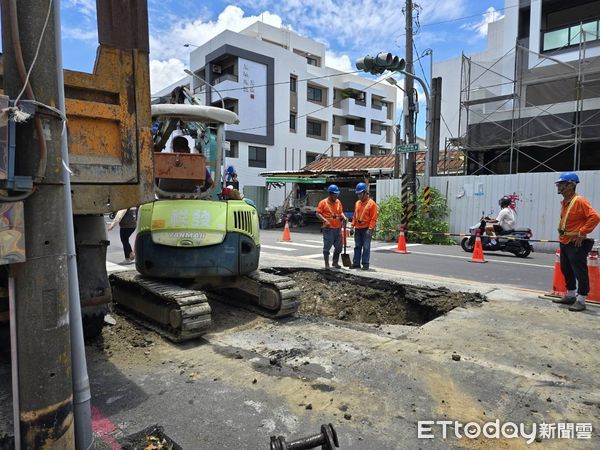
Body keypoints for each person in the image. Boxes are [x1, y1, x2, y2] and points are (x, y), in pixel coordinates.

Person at [552, 172, 600, 312]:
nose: (559, 186)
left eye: (561, 184)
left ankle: (581, 300)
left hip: (575, 242)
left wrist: (582, 233)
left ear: (571, 185)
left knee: (580, 271)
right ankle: (571, 295)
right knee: (566, 269)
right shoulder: (565, 202)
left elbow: (595, 217)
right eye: (559, 184)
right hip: (565, 241)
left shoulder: (579, 201)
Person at [316, 184, 347, 269]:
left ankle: (335, 262)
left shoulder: (338, 202)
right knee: (327, 247)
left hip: (337, 228)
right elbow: (318, 213)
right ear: (330, 194)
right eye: (334, 194)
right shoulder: (323, 202)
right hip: (328, 229)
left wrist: (343, 217)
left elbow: (340, 212)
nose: (336, 196)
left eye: (337, 194)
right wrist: (325, 220)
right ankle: (327, 264)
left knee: (339, 247)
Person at [351, 182, 378, 270]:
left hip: (367, 229)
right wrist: (352, 225)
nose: (359, 196)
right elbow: (355, 215)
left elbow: (373, 218)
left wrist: (370, 229)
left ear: (365, 192)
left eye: (360, 194)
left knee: (366, 247)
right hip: (358, 229)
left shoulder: (372, 204)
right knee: (357, 246)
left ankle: (365, 264)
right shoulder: (357, 203)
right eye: (357, 194)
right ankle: (356, 264)